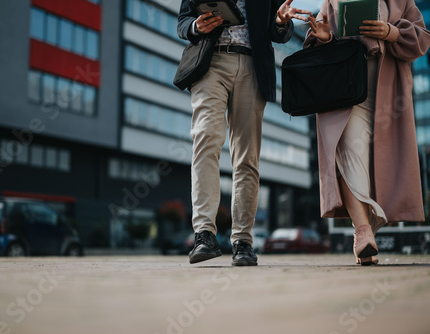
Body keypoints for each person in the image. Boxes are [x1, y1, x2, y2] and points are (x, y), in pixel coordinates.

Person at [177, 0, 311, 266]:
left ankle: (243, 241)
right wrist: (196, 26)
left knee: (247, 157)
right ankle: (204, 234)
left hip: (252, 65)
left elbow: (276, 31)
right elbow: (183, 22)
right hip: (210, 62)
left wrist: (282, 22)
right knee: (205, 138)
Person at [306, 0, 430, 265]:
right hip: (347, 93)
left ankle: (368, 235)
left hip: (389, 93)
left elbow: (422, 40)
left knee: (381, 169)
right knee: (348, 152)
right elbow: (315, 41)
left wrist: (390, 32)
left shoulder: (401, 1)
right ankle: (362, 232)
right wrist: (325, 37)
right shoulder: (332, 1)